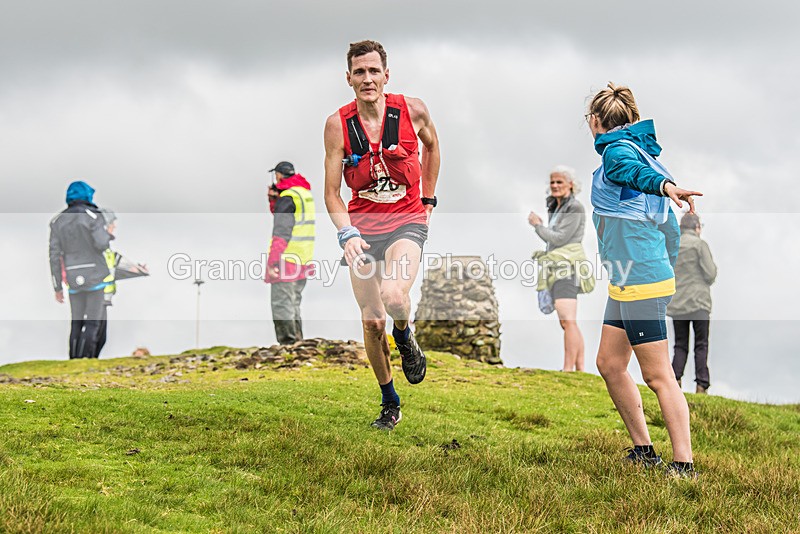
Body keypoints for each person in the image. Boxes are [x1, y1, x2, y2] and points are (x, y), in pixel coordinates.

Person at [587, 83, 703, 478]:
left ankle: (684, 464)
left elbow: (627, 173)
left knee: (657, 375)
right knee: (609, 363)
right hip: (631, 278)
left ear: (596, 121)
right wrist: (665, 265)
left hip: (640, 279)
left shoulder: (619, 153)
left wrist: (666, 188)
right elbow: (669, 227)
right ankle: (644, 450)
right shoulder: (643, 153)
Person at [323, 40, 440, 430]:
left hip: (407, 221)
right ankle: (390, 402)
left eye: (374, 71)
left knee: (393, 295)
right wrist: (347, 234)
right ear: (349, 78)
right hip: (362, 230)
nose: (367, 79)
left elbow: (433, 147)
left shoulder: (413, 110)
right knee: (372, 321)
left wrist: (427, 199)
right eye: (360, 72)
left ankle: (405, 337)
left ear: (386, 75)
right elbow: (331, 193)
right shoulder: (337, 125)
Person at [528, 165, 593, 372]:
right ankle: (580, 369)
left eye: (559, 182)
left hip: (568, 267)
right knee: (567, 322)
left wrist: (538, 225)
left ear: (570, 185)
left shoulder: (575, 207)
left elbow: (559, 238)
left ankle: (567, 369)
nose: (555, 186)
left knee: (568, 320)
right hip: (556, 267)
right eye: (553, 182)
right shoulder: (555, 206)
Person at [49, 181, 114, 359]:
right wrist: (108, 234)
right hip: (95, 276)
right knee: (93, 322)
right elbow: (101, 244)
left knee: (76, 322)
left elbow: (54, 255)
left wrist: (57, 287)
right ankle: (86, 359)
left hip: (72, 277)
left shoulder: (57, 221)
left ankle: (73, 360)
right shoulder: (93, 216)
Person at [265, 161, 315, 345]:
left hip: (287, 257)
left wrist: (272, 263)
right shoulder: (303, 193)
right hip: (304, 257)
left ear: (278, 175)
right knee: (293, 303)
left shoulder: (287, 197)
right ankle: (298, 343)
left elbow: (281, 231)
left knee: (282, 303)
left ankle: (288, 344)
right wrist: (274, 202)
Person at [667, 212, 717, 394]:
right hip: (698, 303)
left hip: (678, 303)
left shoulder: (673, 245)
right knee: (701, 344)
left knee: (680, 344)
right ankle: (701, 385)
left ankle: (674, 381)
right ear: (697, 227)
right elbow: (710, 274)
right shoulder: (699, 244)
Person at [93, 209, 118, 358]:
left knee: (101, 336)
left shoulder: (107, 248)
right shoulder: (98, 246)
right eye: (112, 224)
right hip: (96, 293)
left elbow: (114, 267)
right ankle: (84, 362)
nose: (114, 227)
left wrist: (137, 269)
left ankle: (90, 361)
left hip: (105, 296)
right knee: (94, 333)